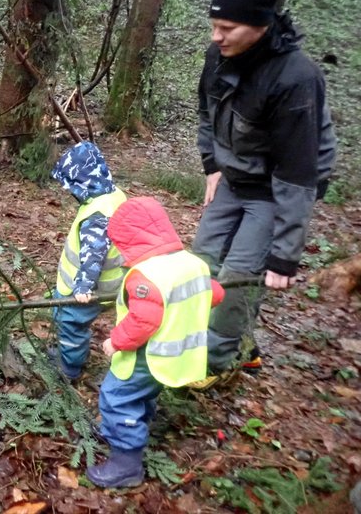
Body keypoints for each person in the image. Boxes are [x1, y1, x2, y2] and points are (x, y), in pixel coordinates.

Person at [193, 0, 337, 379]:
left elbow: (298, 171)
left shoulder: (296, 78)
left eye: (227, 27)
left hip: (275, 190)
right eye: (214, 26)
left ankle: (215, 364)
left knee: (239, 277)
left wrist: (284, 256)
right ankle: (238, 344)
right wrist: (212, 166)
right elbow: (208, 112)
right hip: (235, 176)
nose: (216, 36)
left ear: (260, 26)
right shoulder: (218, 56)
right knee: (202, 263)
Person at [86, 197, 224, 488]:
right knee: (142, 395)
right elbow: (215, 294)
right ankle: (132, 428)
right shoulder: (193, 264)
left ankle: (126, 463)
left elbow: (143, 322)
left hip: (147, 356)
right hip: (178, 357)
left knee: (115, 397)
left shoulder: (145, 276)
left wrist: (116, 341)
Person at [48, 141, 127, 381]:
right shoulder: (113, 196)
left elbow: (94, 254)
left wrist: (83, 285)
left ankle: (69, 367)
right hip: (108, 282)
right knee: (60, 315)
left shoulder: (98, 215)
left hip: (87, 287)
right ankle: (66, 350)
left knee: (71, 323)